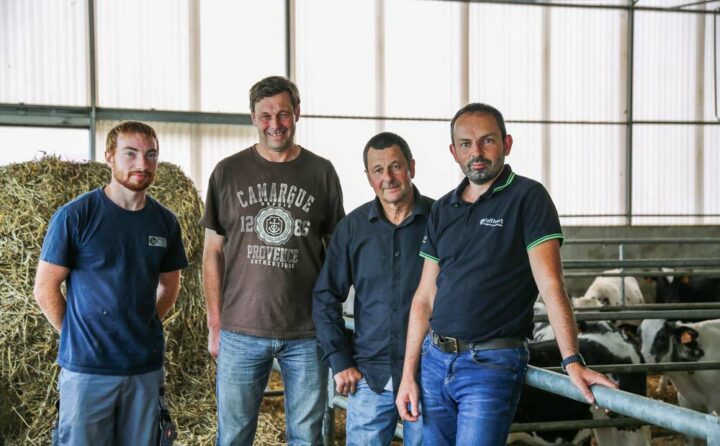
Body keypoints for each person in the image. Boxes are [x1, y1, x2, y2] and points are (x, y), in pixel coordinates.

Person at [395, 103, 617, 445]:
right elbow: (425, 296)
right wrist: (409, 373)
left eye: (488, 141)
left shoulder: (528, 198)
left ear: (507, 144)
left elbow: (550, 283)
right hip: (435, 360)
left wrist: (571, 359)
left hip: (490, 364)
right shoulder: (443, 208)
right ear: (454, 152)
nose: (477, 152)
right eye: (466, 144)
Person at [201, 76, 345, 446]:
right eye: (265, 115)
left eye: (283, 113)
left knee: (307, 435)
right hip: (240, 330)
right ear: (252, 117)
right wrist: (215, 323)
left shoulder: (322, 172)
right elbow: (212, 253)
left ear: (297, 113)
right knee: (233, 435)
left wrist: (331, 322)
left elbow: (336, 252)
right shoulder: (227, 172)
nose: (275, 123)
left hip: (306, 333)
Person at [33, 121, 188, 445]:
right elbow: (45, 288)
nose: (142, 164)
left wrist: (141, 324)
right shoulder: (76, 216)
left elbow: (169, 285)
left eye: (151, 155)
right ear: (109, 157)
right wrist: (77, 334)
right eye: (130, 153)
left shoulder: (165, 222)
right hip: (88, 371)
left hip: (144, 369)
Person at [313, 132, 432, 445]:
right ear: (368, 177)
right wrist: (340, 361)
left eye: (396, 167)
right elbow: (325, 297)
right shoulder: (352, 228)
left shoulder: (440, 220)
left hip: (430, 375)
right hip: (370, 377)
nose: (388, 178)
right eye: (378, 170)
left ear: (412, 168)